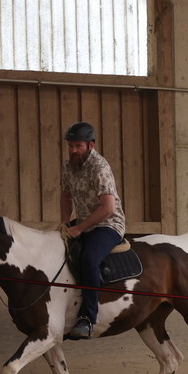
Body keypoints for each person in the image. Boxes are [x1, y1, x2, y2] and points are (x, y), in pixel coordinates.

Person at [59, 122, 126, 339]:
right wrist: (64, 222)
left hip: (108, 224)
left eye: (77, 146)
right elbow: (66, 196)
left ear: (90, 145)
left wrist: (79, 228)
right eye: (70, 146)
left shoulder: (100, 167)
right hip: (83, 221)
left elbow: (108, 207)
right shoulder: (69, 167)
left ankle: (88, 318)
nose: (73, 150)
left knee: (88, 258)